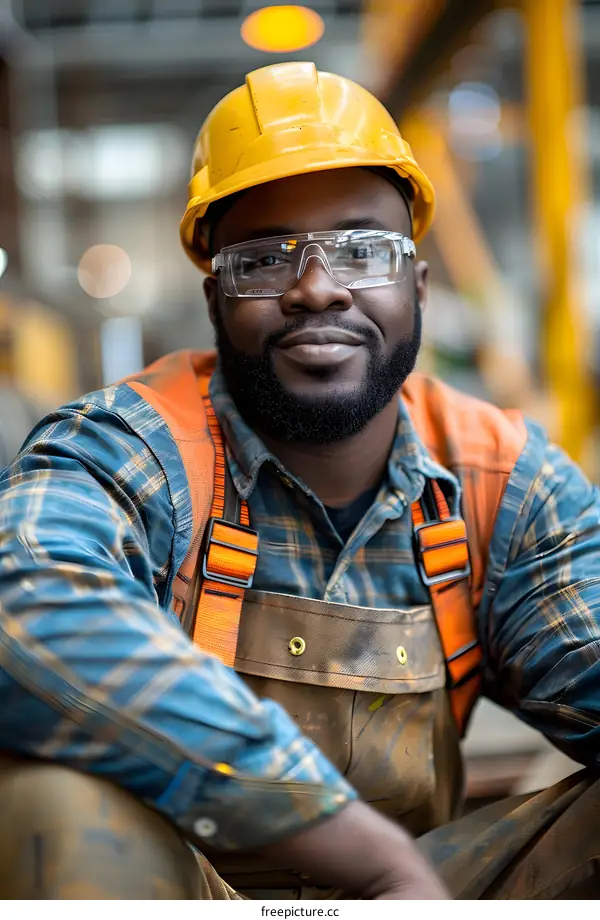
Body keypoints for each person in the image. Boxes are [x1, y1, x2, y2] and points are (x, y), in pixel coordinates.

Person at [0, 61, 598, 901]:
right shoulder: (131, 452)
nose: (316, 289)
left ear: (418, 286)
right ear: (215, 301)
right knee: (49, 806)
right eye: (265, 259)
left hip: (431, 895)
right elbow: (20, 609)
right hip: (182, 894)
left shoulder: (500, 480)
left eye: (362, 249)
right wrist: (363, 852)